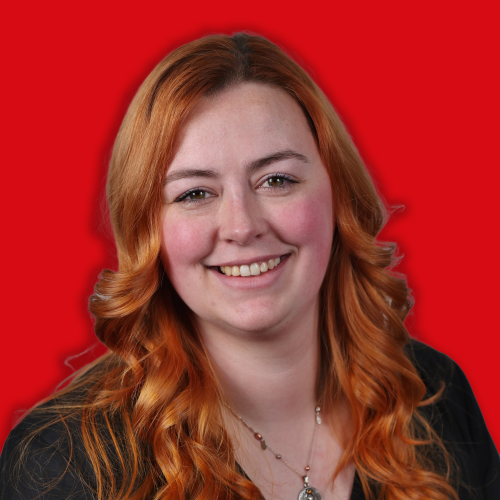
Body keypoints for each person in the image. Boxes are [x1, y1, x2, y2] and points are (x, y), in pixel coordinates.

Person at [1, 32, 498, 500]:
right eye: (195, 193)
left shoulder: (432, 392)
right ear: (147, 229)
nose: (242, 226)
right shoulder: (62, 465)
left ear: (338, 195)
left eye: (277, 180)